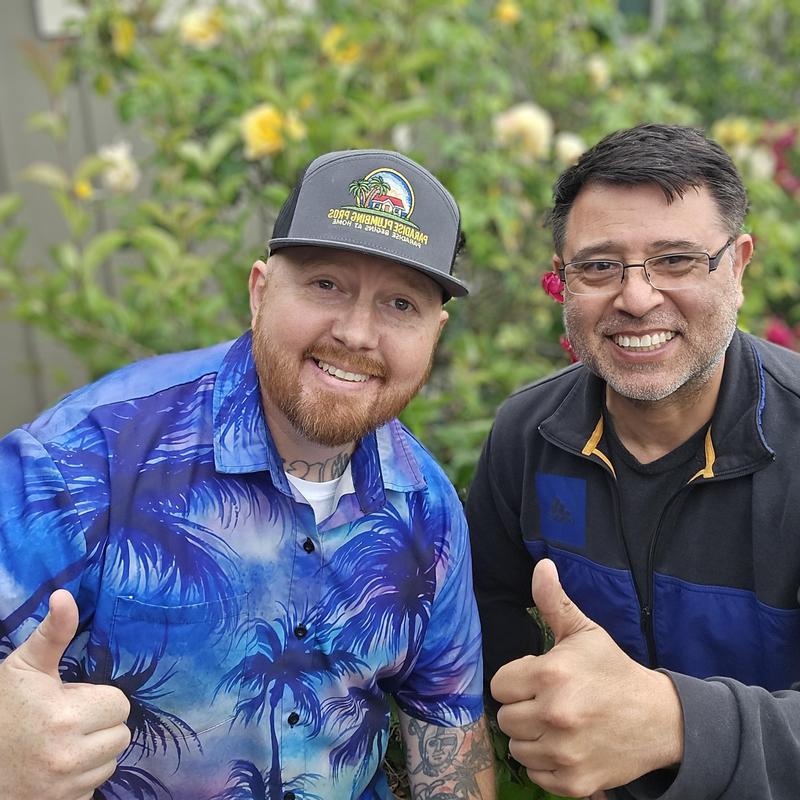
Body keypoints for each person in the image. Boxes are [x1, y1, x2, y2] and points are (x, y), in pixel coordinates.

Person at [0, 149, 495, 800]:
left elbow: (448, 748)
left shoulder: (426, 508)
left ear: (435, 331)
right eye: (326, 284)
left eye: (399, 304)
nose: (356, 332)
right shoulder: (84, 459)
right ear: (259, 292)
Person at [466, 123, 800, 800]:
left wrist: (677, 724)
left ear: (738, 264)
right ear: (564, 280)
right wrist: (532, 709)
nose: (637, 297)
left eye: (676, 260)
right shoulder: (527, 437)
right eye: (599, 266)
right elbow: (485, 615)